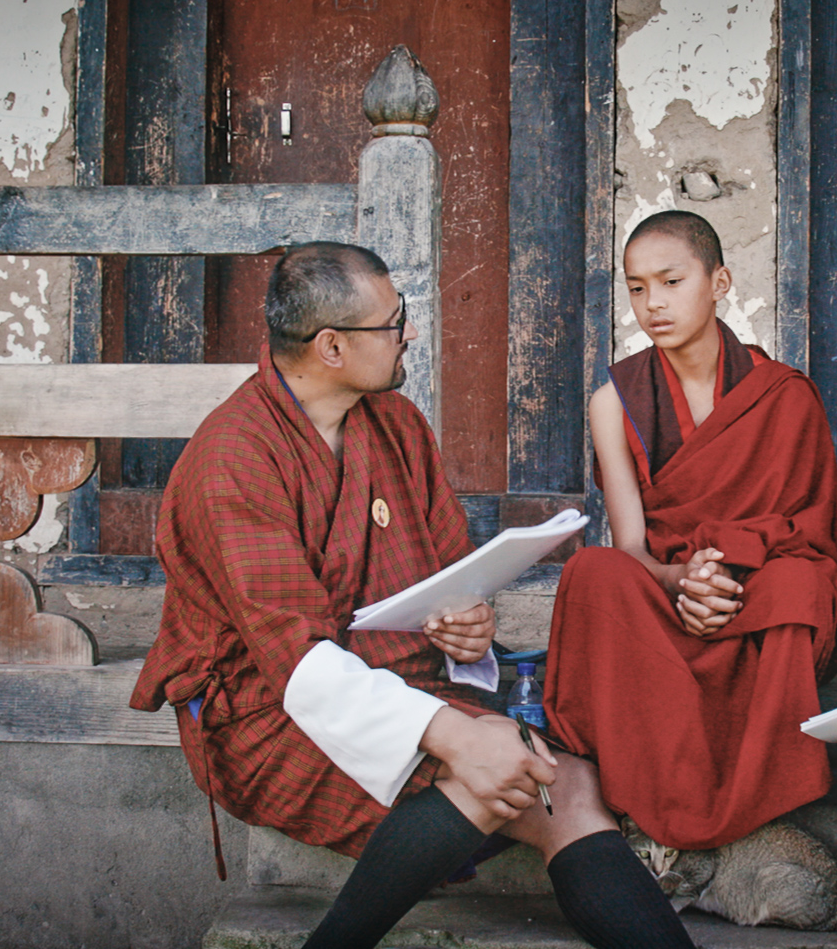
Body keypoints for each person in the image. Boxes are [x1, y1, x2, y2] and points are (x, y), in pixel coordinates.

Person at [130, 242, 696, 949]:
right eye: (394, 321)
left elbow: (449, 571)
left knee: (568, 781)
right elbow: (296, 659)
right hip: (267, 710)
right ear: (332, 346)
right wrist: (456, 732)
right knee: (493, 766)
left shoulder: (394, 422)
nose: (410, 334)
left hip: (397, 675)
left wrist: (468, 629)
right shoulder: (232, 460)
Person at [543, 210, 837, 853]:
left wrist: (727, 569)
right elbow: (631, 547)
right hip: (670, 589)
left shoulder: (785, 395)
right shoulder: (615, 400)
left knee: (798, 584)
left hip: (752, 583)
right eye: (635, 287)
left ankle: (754, 799)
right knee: (593, 572)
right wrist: (681, 578)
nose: (652, 304)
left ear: (720, 282)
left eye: (670, 281)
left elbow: (810, 532)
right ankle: (656, 794)